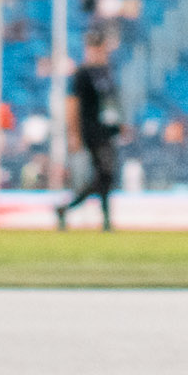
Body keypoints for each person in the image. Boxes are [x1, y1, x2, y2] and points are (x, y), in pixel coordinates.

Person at [52, 29, 121, 232]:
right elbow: (72, 104)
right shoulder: (82, 73)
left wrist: (119, 125)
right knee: (105, 173)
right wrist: (74, 134)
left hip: (106, 130)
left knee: (105, 176)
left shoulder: (106, 72)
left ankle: (72, 211)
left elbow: (111, 103)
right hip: (91, 131)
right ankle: (97, 217)